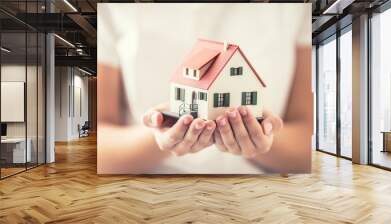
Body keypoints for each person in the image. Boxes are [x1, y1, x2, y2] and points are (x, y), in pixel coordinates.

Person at [97, 4, 313, 174]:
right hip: (149, 188)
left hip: (254, 188)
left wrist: (262, 138)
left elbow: (306, 144)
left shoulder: (297, 8)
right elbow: (101, 144)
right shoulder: (113, 9)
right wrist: (161, 134)